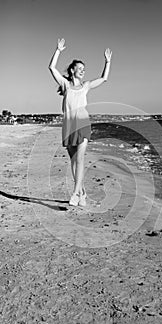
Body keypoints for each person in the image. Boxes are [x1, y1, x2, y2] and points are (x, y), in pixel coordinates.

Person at [49, 38, 112, 206]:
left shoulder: (86, 86)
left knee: (81, 159)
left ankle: (75, 193)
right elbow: (51, 68)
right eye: (80, 69)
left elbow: (104, 78)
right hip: (69, 124)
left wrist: (107, 61)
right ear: (72, 70)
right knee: (73, 160)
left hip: (83, 123)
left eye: (84, 69)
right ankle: (82, 192)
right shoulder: (65, 84)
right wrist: (58, 51)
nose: (83, 71)